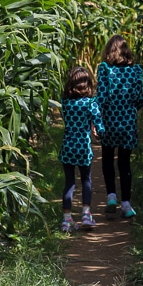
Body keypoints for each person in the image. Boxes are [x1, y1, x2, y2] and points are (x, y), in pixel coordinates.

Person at [97, 35, 143, 218]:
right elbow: (140, 98)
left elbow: (101, 97)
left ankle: (111, 197)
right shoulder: (135, 71)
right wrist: (131, 109)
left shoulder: (105, 70)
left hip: (109, 123)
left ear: (109, 51)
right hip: (128, 124)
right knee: (124, 163)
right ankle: (126, 204)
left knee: (108, 159)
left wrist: (96, 119)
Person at [59, 65, 104, 234]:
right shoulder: (91, 103)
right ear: (88, 85)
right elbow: (99, 126)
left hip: (68, 147)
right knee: (86, 180)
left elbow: (67, 120)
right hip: (83, 148)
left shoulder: (65, 103)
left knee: (69, 183)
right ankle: (86, 214)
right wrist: (97, 132)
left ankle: (67, 219)